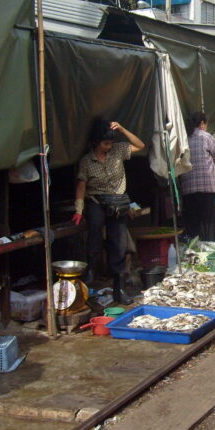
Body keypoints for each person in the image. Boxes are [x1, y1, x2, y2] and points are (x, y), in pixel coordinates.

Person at [72, 119, 145, 305]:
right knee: (95, 227)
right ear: (96, 142)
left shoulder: (119, 151)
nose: (109, 146)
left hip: (117, 202)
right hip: (97, 200)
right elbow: (81, 185)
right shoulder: (87, 161)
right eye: (106, 143)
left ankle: (119, 289)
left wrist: (122, 128)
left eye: (111, 142)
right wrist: (78, 209)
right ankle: (90, 272)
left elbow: (140, 145)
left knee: (118, 242)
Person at [180, 112, 215, 241]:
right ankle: (208, 245)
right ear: (202, 123)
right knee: (208, 218)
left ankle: (194, 247)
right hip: (207, 184)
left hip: (188, 185)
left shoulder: (184, 138)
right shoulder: (206, 136)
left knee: (192, 218)